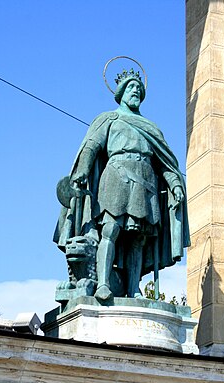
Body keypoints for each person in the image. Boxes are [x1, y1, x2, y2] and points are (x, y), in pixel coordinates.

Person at [54, 66, 190, 301]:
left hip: (145, 184)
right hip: (117, 178)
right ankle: (103, 283)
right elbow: (91, 146)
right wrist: (83, 171)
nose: (135, 91)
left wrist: (175, 184)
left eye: (139, 88)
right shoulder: (109, 119)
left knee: (138, 239)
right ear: (120, 93)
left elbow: (165, 163)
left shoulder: (151, 128)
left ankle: (134, 288)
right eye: (131, 88)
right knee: (111, 230)